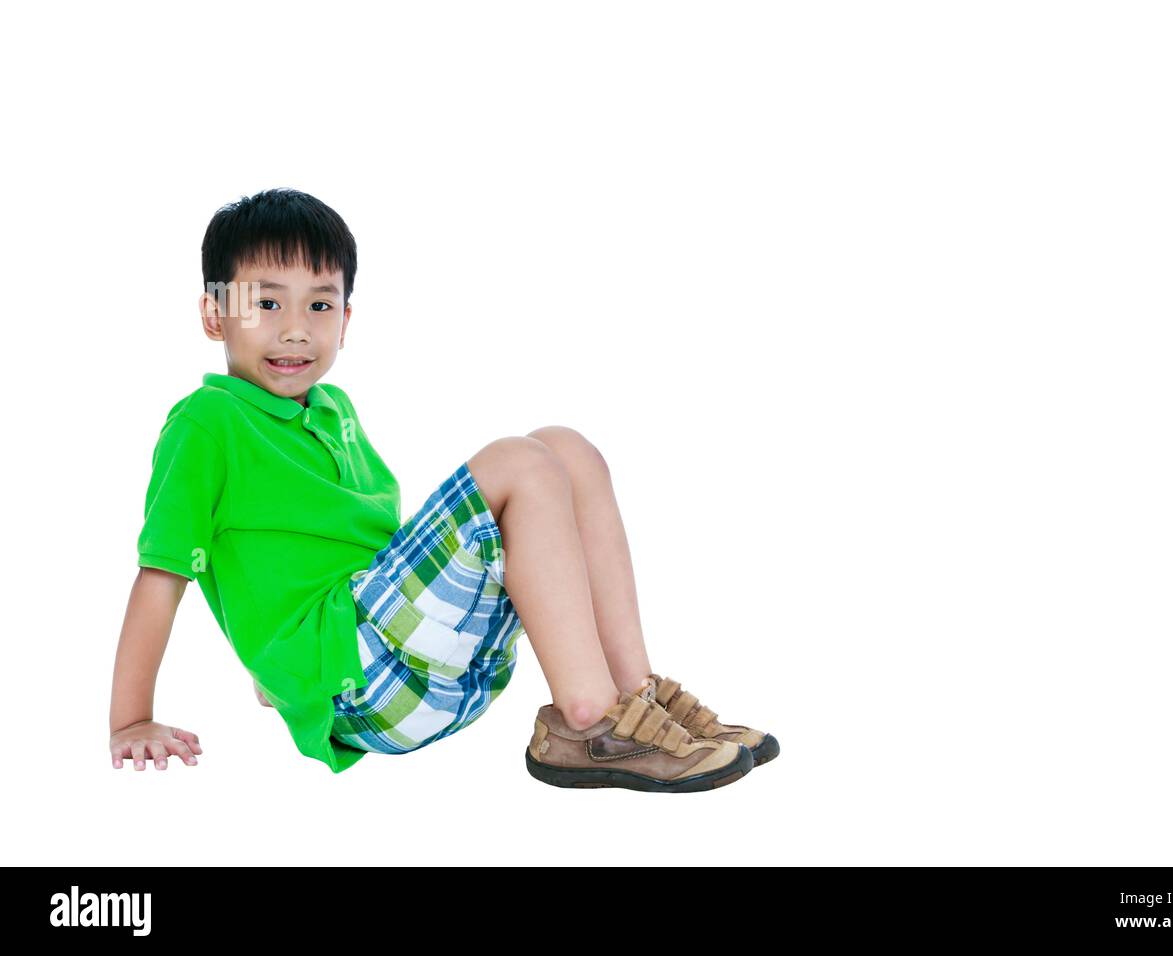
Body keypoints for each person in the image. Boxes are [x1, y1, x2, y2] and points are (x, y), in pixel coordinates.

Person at [109, 187, 779, 792]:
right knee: (519, 461)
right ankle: (590, 719)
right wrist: (131, 719)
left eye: (319, 303)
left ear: (346, 319)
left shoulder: (332, 411)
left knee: (565, 447)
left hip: (419, 668)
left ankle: (637, 696)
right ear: (213, 315)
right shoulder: (209, 423)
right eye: (265, 302)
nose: (295, 327)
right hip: (364, 683)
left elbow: (324, 557)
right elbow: (163, 575)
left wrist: (271, 676)